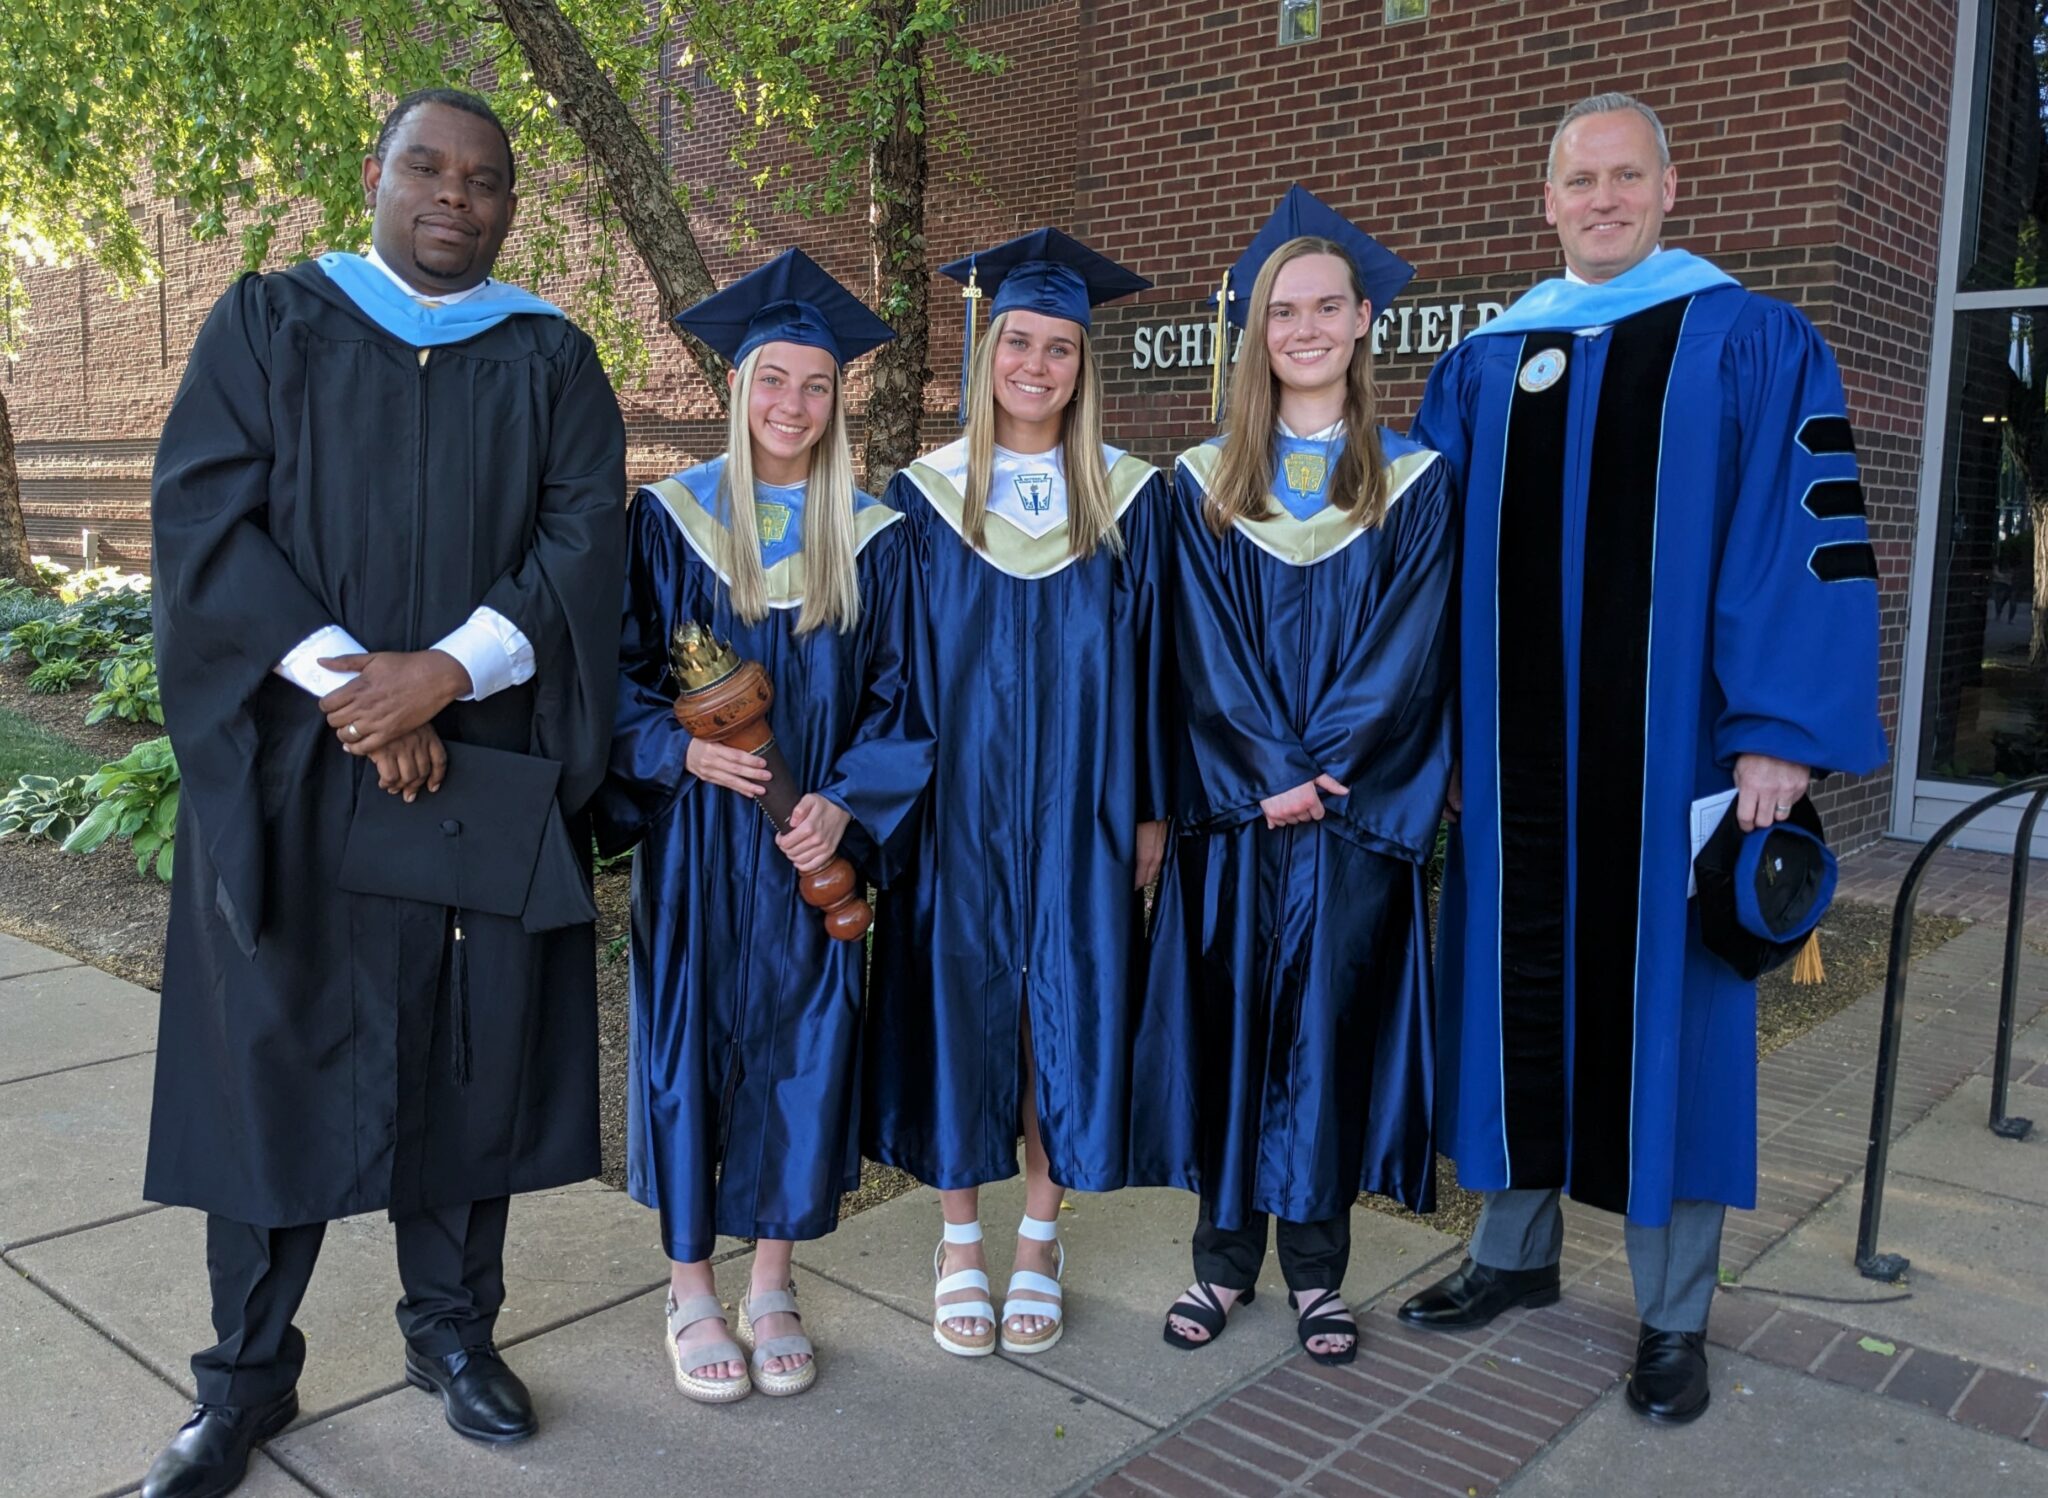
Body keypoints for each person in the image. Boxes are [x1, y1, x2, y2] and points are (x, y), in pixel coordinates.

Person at [142, 89, 625, 1498]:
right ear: (377, 174)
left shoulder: (550, 356)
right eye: (428, 166)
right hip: (298, 768)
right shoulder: (268, 322)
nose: (453, 196)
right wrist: (365, 689)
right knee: (269, 1065)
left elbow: (584, 541)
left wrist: (449, 676)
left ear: (510, 207)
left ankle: (453, 1334)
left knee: (466, 1052)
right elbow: (203, 519)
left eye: (483, 180)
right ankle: (241, 1376)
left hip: (470, 768)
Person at [1401, 92, 1887, 1425]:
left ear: (1671, 189)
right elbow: (1423, 578)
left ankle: (1674, 1316)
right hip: (1510, 771)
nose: (1603, 198)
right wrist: (1430, 737)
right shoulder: (1486, 365)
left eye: (1627, 176)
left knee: (1672, 1018)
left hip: (1676, 767)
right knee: (1511, 995)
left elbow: (1806, 535)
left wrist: (1778, 737)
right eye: (1580, 179)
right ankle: (1512, 1254)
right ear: (1545, 198)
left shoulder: (1749, 341)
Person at [592, 249, 932, 1403]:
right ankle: (689, 1284)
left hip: (805, 849)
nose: (793, 404)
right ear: (736, 389)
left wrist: (847, 804)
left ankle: (772, 1277)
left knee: (803, 1048)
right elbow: (617, 677)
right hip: (696, 843)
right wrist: (671, 747)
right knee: (690, 1046)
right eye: (771, 380)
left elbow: (905, 700)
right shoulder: (670, 521)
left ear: (840, 399)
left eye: (816, 385)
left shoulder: (876, 536)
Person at [1129, 187, 1455, 1367]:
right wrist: (1265, 769)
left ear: (1364, 320)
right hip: (1236, 814)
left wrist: (1325, 773)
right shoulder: (1200, 484)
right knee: (1229, 1029)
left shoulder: (1413, 482)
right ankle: (1220, 1265)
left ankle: (1316, 1274)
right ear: (1256, 333)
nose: (1305, 329)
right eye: (1282, 313)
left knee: (1327, 1035)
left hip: (1347, 819)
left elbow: (1411, 647)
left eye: (1326, 308)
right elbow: (1193, 648)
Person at [862, 228, 1172, 1357]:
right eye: (1019, 343)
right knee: (963, 1012)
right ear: (985, 351)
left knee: (1066, 1016)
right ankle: (957, 1239)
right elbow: (892, 671)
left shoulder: (1131, 502)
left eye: (1060, 348)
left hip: (1088, 807)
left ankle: (1039, 1233)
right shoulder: (924, 499)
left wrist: (1147, 808)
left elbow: (1154, 674)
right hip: (960, 810)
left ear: (1085, 365)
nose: (1037, 366)